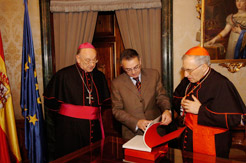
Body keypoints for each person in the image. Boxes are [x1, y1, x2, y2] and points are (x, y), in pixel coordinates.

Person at [173, 46, 246, 158]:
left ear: (204, 67)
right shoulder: (189, 80)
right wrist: (182, 104)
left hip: (213, 144)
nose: (186, 75)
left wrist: (200, 110)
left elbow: (235, 119)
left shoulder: (222, 84)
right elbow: (175, 97)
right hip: (189, 139)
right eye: (184, 69)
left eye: (189, 70)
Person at [43, 42, 110, 159]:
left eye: (94, 60)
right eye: (88, 60)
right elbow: (51, 103)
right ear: (78, 59)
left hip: (95, 128)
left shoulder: (99, 76)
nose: (92, 64)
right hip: (69, 130)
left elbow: (103, 103)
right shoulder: (63, 75)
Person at [111, 49, 172, 140]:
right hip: (131, 134)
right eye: (128, 69)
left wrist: (166, 110)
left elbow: (161, 96)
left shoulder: (153, 75)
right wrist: (136, 122)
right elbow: (117, 110)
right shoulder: (117, 83)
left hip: (156, 130)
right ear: (122, 67)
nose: (133, 72)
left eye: (136, 67)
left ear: (140, 61)